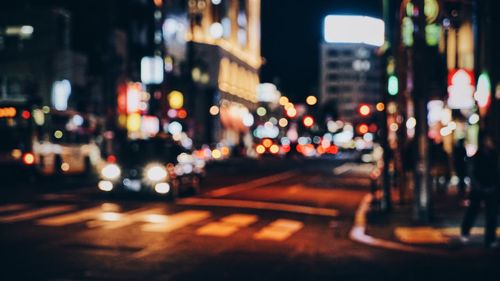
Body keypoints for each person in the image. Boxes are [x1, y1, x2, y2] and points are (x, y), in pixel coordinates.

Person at [460, 134, 499, 248]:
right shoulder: (478, 156)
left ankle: (490, 239)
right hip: (479, 189)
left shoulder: (494, 155)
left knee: (491, 215)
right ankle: (465, 231)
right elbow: (472, 172)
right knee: (473, 211)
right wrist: (477, 185)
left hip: (491, 189)